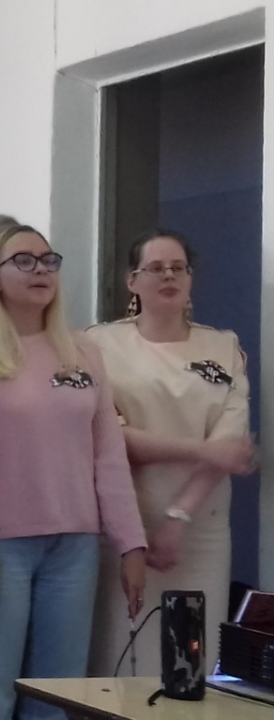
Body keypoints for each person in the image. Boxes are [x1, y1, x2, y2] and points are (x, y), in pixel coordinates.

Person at [0, 225, 146, 720]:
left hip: (75, 545)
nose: (40, 270)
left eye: (48, 260)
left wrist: (131, 542)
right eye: (23, 260)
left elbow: (108, 454)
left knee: (59, 694)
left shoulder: (83, 351)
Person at [87, 229, 255, 677]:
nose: (169, 276)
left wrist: (180, 518)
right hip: (127, 531)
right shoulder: (98, 344)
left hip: (201, 531)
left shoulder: (223, 346)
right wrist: (202, 450)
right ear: (132, 281)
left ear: (190, 279)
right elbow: (110, 438)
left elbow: (230, 442)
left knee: (191, 665)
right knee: (120, 663)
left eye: (178, 268)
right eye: (156, 268)